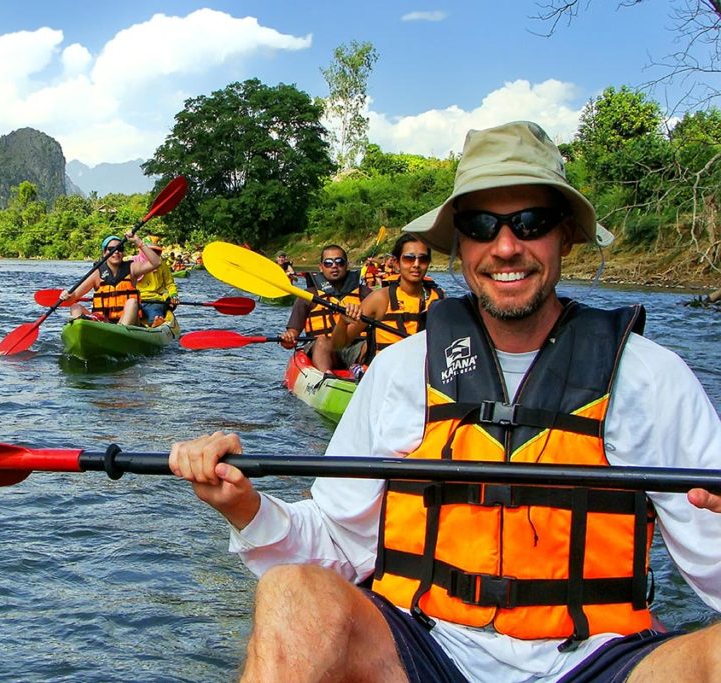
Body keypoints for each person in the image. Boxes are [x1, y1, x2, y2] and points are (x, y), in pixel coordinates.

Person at [169, 121, 721, 682]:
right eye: (482, 225)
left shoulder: (651, 378)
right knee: (291, 593)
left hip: (602, 659)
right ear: (460, 243)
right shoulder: (400, 369)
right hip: (422, 647)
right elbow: (338, 540)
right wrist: (243, 507)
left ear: (566, 236)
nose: (506, 246)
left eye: (531, 222)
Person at [334, 233, 445, 366]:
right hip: (387, 376)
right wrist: (342, 322)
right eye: (409, 259)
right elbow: (338, 345)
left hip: (424, 375)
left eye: (423, 259)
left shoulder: (439, 298)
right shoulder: (380, 299)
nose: (416, 264)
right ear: (397, 264)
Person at [279, 245, 371, 373]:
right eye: (328, 263)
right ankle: (326, 380)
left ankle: (367, 375)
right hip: (322, 348)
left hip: (356, 346)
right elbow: (293, 333)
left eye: (339, 262)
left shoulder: (366, 294)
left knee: (372, 344)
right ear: (321, 267)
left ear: (347, 265)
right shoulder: (307, 296)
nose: (334, 266)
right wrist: (288, 339)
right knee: (322, 341)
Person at [62, 233, 160, 326]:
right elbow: (74, 295)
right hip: (103, 323)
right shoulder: (96, 273)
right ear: (104, 253)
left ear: (123, 253)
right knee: (75, 307)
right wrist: (66, 295)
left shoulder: (132, 268)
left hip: (128, 324)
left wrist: (139, 242)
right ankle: (84, 333)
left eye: (119, 248)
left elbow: (156, 263)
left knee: (132, 302)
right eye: (111, 249)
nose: (116, 252)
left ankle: (120, 331)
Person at [135, 238, 179, 326]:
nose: (153, 254)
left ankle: (156, 322)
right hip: (135, 300)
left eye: (155, 251)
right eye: (150, 251)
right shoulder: (132, 263)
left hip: (156, 300)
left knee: (155, 311)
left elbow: (170, 283)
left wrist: (173, 294)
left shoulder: (162, 265)